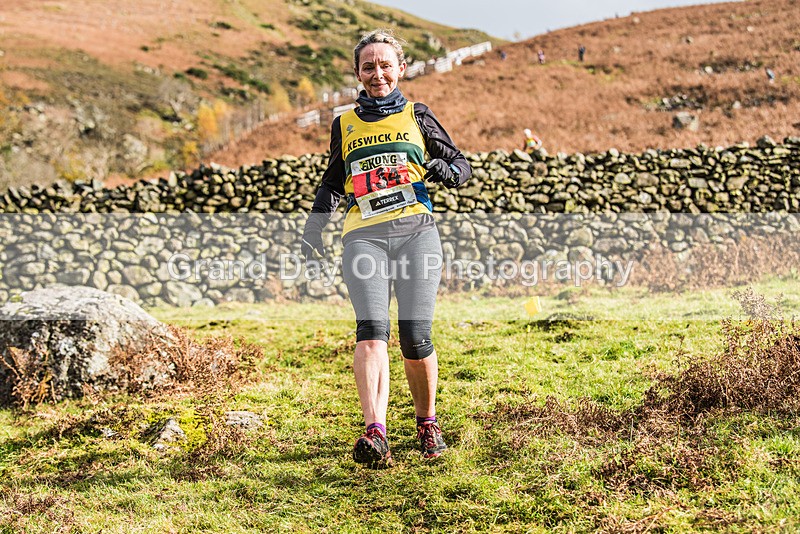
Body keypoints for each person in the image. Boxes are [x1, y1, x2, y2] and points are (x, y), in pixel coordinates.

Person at [301, 29, 472, 469]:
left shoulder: (418, 114)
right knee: (372, 331)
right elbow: (333, 181)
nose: (377, 73)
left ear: (400, 68)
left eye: (384, 65)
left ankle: (426, 421)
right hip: (364, 236)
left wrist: (444, 169)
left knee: (416, 336)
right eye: (367, 67)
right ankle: (374, 431)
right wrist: (313, 228)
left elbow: (461, 165)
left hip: (417, 233)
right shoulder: (345, 123)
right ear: (357, 74)